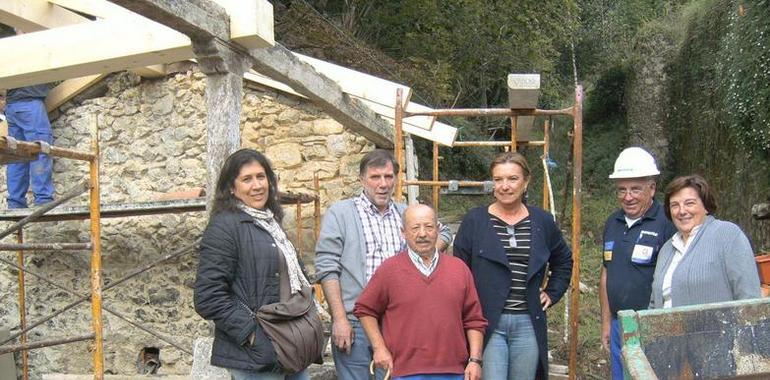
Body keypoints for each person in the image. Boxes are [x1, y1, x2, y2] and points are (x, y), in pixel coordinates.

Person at [314, 149, 453, 380]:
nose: (383, 184)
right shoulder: (341, 213)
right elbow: (327, 266)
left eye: (388, 177)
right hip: (354, 321)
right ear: (361, 180)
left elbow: (443, 230)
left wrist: (425, 250)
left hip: (397, 321)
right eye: (375, 177)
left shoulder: (404, 212)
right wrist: (338, 319)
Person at [453, 151, 573, 380]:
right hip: (488, 322)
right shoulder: (475, 221)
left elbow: (564, 259)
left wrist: (552, 292)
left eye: (512, 179)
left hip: (528, 322)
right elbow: (459, 273)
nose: (504, 186)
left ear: (526, 182)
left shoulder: (542, 221)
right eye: (498, 179)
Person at [194, 149, 311, 380]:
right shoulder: (224, 227)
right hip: (256, 355)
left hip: (290, 345)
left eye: (261, 176)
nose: (257, 185)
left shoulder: (271, 224)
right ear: (231, 188)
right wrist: (254, 336)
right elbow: (208, 296)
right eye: (247, 179)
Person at [353, 204, 487, 380]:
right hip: (404, 372)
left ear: (438, 230)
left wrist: (475, 360)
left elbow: (474, 319)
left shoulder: (459, 269)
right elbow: (365, 309)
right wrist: (379, 348)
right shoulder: (389, 270)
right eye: (415, 228)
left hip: (454, 372)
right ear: (403, 232)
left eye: (429, 227)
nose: (422, 234)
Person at [599, 147, 676, 379]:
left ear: (651, 188)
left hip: (651, 324)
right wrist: (606, 322)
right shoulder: (613, 222)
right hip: (618, 325)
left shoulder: (667, 222)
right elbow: (606, 274)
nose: (628, 196)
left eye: (635, 189)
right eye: (622, 190)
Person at [651, 174, 761, 308]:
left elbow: (749, 297)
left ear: (706, 206)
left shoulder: (728, 235)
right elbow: (654, 303)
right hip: (664, 328)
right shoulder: (667, 249)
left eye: (689, 203)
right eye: (674, 205)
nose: (682, 211)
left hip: (717, 328)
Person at [4, 83, 54, 208]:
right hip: (30, 104)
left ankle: (15, 202)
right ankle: (43, 200)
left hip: (12, 106)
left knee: (17, 156)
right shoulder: (32, 64)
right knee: (41, 150)